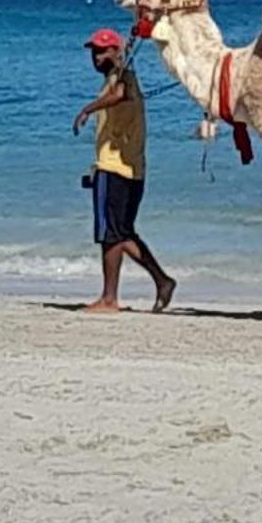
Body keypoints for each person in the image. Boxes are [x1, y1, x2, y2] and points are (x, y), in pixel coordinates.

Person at [72, 28, 175, 313]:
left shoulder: (122, 77)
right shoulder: (119, 77)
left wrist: (87, 109)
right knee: (122, 232)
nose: (97, 57)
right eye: (94, 52)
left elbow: (120, 94)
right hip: (130, 169)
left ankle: (109, 299)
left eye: (103, 51)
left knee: (110, 235)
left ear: (118, 52)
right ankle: (162, 280)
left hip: (115, 167)